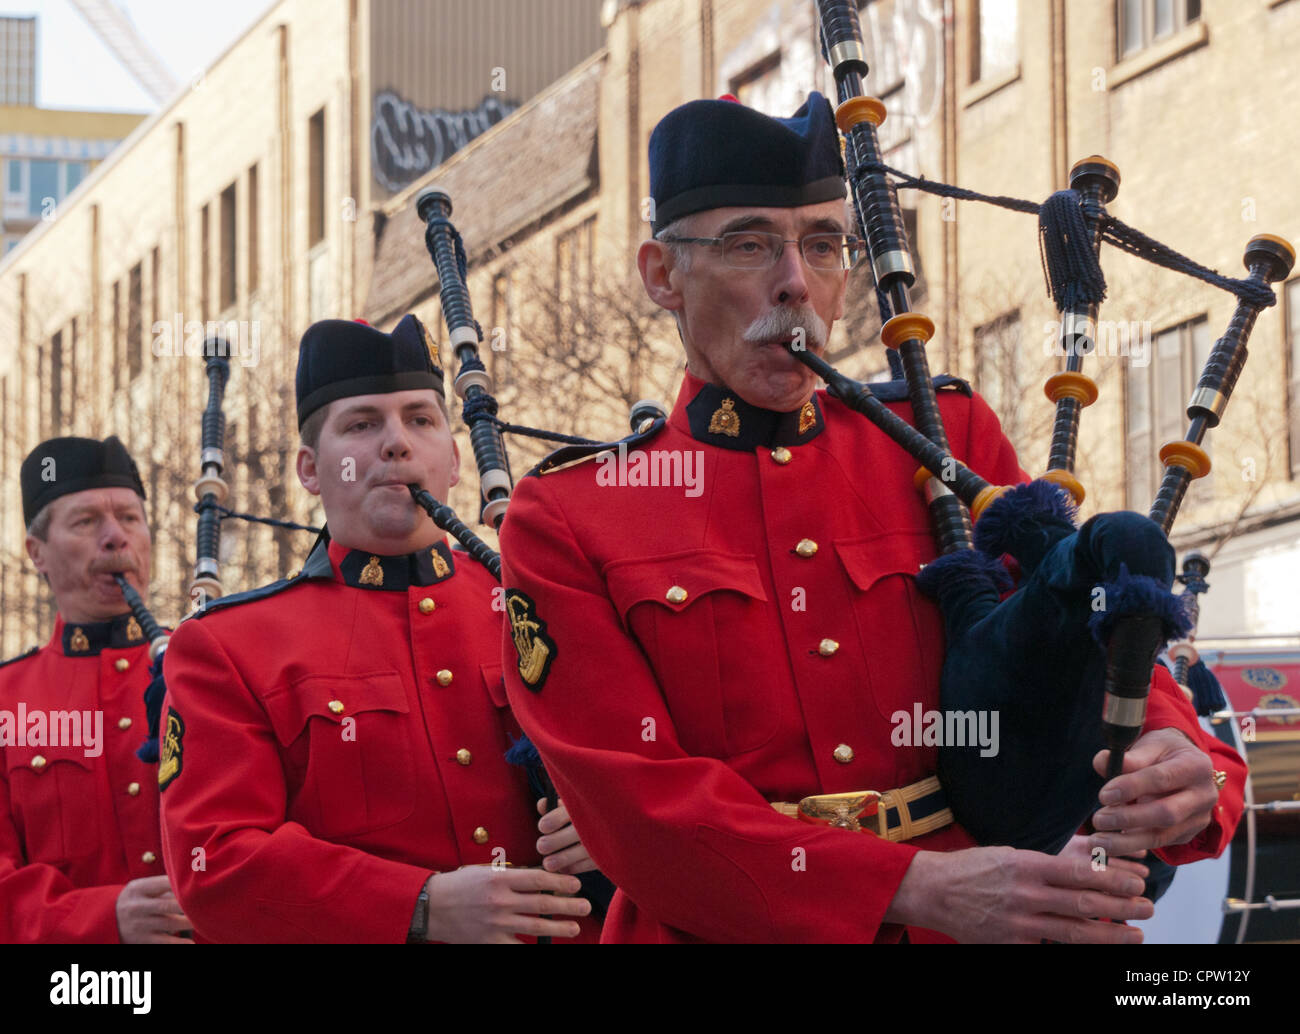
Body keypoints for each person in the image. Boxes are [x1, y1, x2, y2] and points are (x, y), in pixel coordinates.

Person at [497, 93, 1247, 943]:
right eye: (750, 245)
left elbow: (1072, 625)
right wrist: (911, 887)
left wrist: (1176, 757)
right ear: (662, 276)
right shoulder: (568, 514)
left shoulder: (944, 439)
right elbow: (635, 807)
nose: (796, 282)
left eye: (823, 245)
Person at [158, 315, 601, 943]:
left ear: (453, 457)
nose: (396, 442)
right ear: (310, 470)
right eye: (362, 424)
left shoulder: (540, 602)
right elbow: (217, 864)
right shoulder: (227, 647)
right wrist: (422, 906)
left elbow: (655, 767)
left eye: (421, 419)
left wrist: (611, 824)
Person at [0, 435, 190, 943]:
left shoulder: (211, 668)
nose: (116, 538)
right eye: (86, 522)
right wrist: (104, 920)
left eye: (130, 518)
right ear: (36, 553)